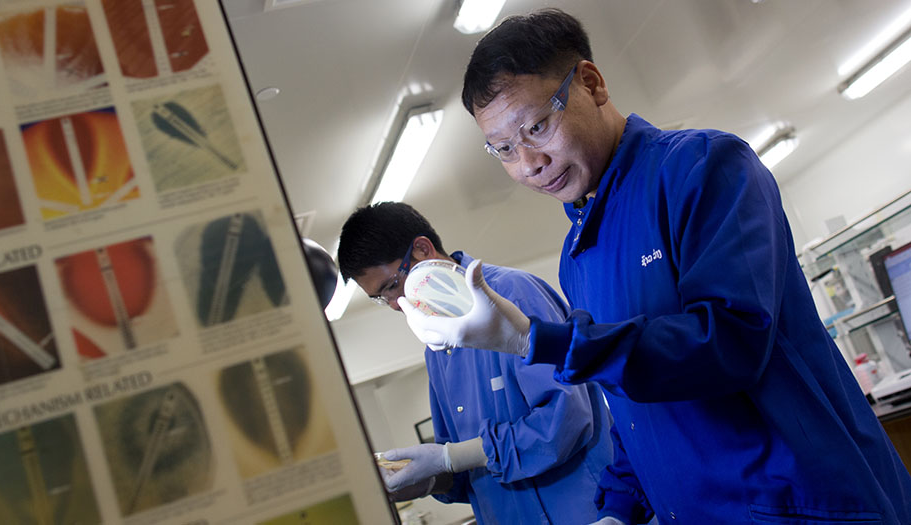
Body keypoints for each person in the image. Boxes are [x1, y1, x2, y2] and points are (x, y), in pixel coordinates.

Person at [398, 8, 911, 525]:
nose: (529, 162)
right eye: (504, 148)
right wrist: (619, 509)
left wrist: (536, 339)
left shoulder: (704, 169)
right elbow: (632, 411)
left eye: (537, 126)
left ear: (592, 84)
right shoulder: (576, 256)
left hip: (799, 505)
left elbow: (729, 342)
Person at [338, 201, 623, 525]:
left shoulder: (512, 294)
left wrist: (451, 457)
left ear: (422, 248)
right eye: (381, 298)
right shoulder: (437, 349)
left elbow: (567, 422)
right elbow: (470, 473)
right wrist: (427, 479)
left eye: (391, 286)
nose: (393, 305)